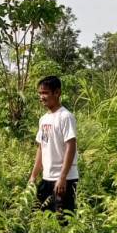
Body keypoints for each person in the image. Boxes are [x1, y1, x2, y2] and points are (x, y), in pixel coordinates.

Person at [28, 75, 78, 218]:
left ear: (57, 92)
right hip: (47, 178)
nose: (41, 97)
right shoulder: (43, 119)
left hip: (65, 179)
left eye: (45, 93)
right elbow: (41, 148)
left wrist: (62, 177)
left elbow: (71, 146)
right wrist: (33, 175)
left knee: (63, 220)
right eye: (40, 93)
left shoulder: (65, 117)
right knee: (38, 217)